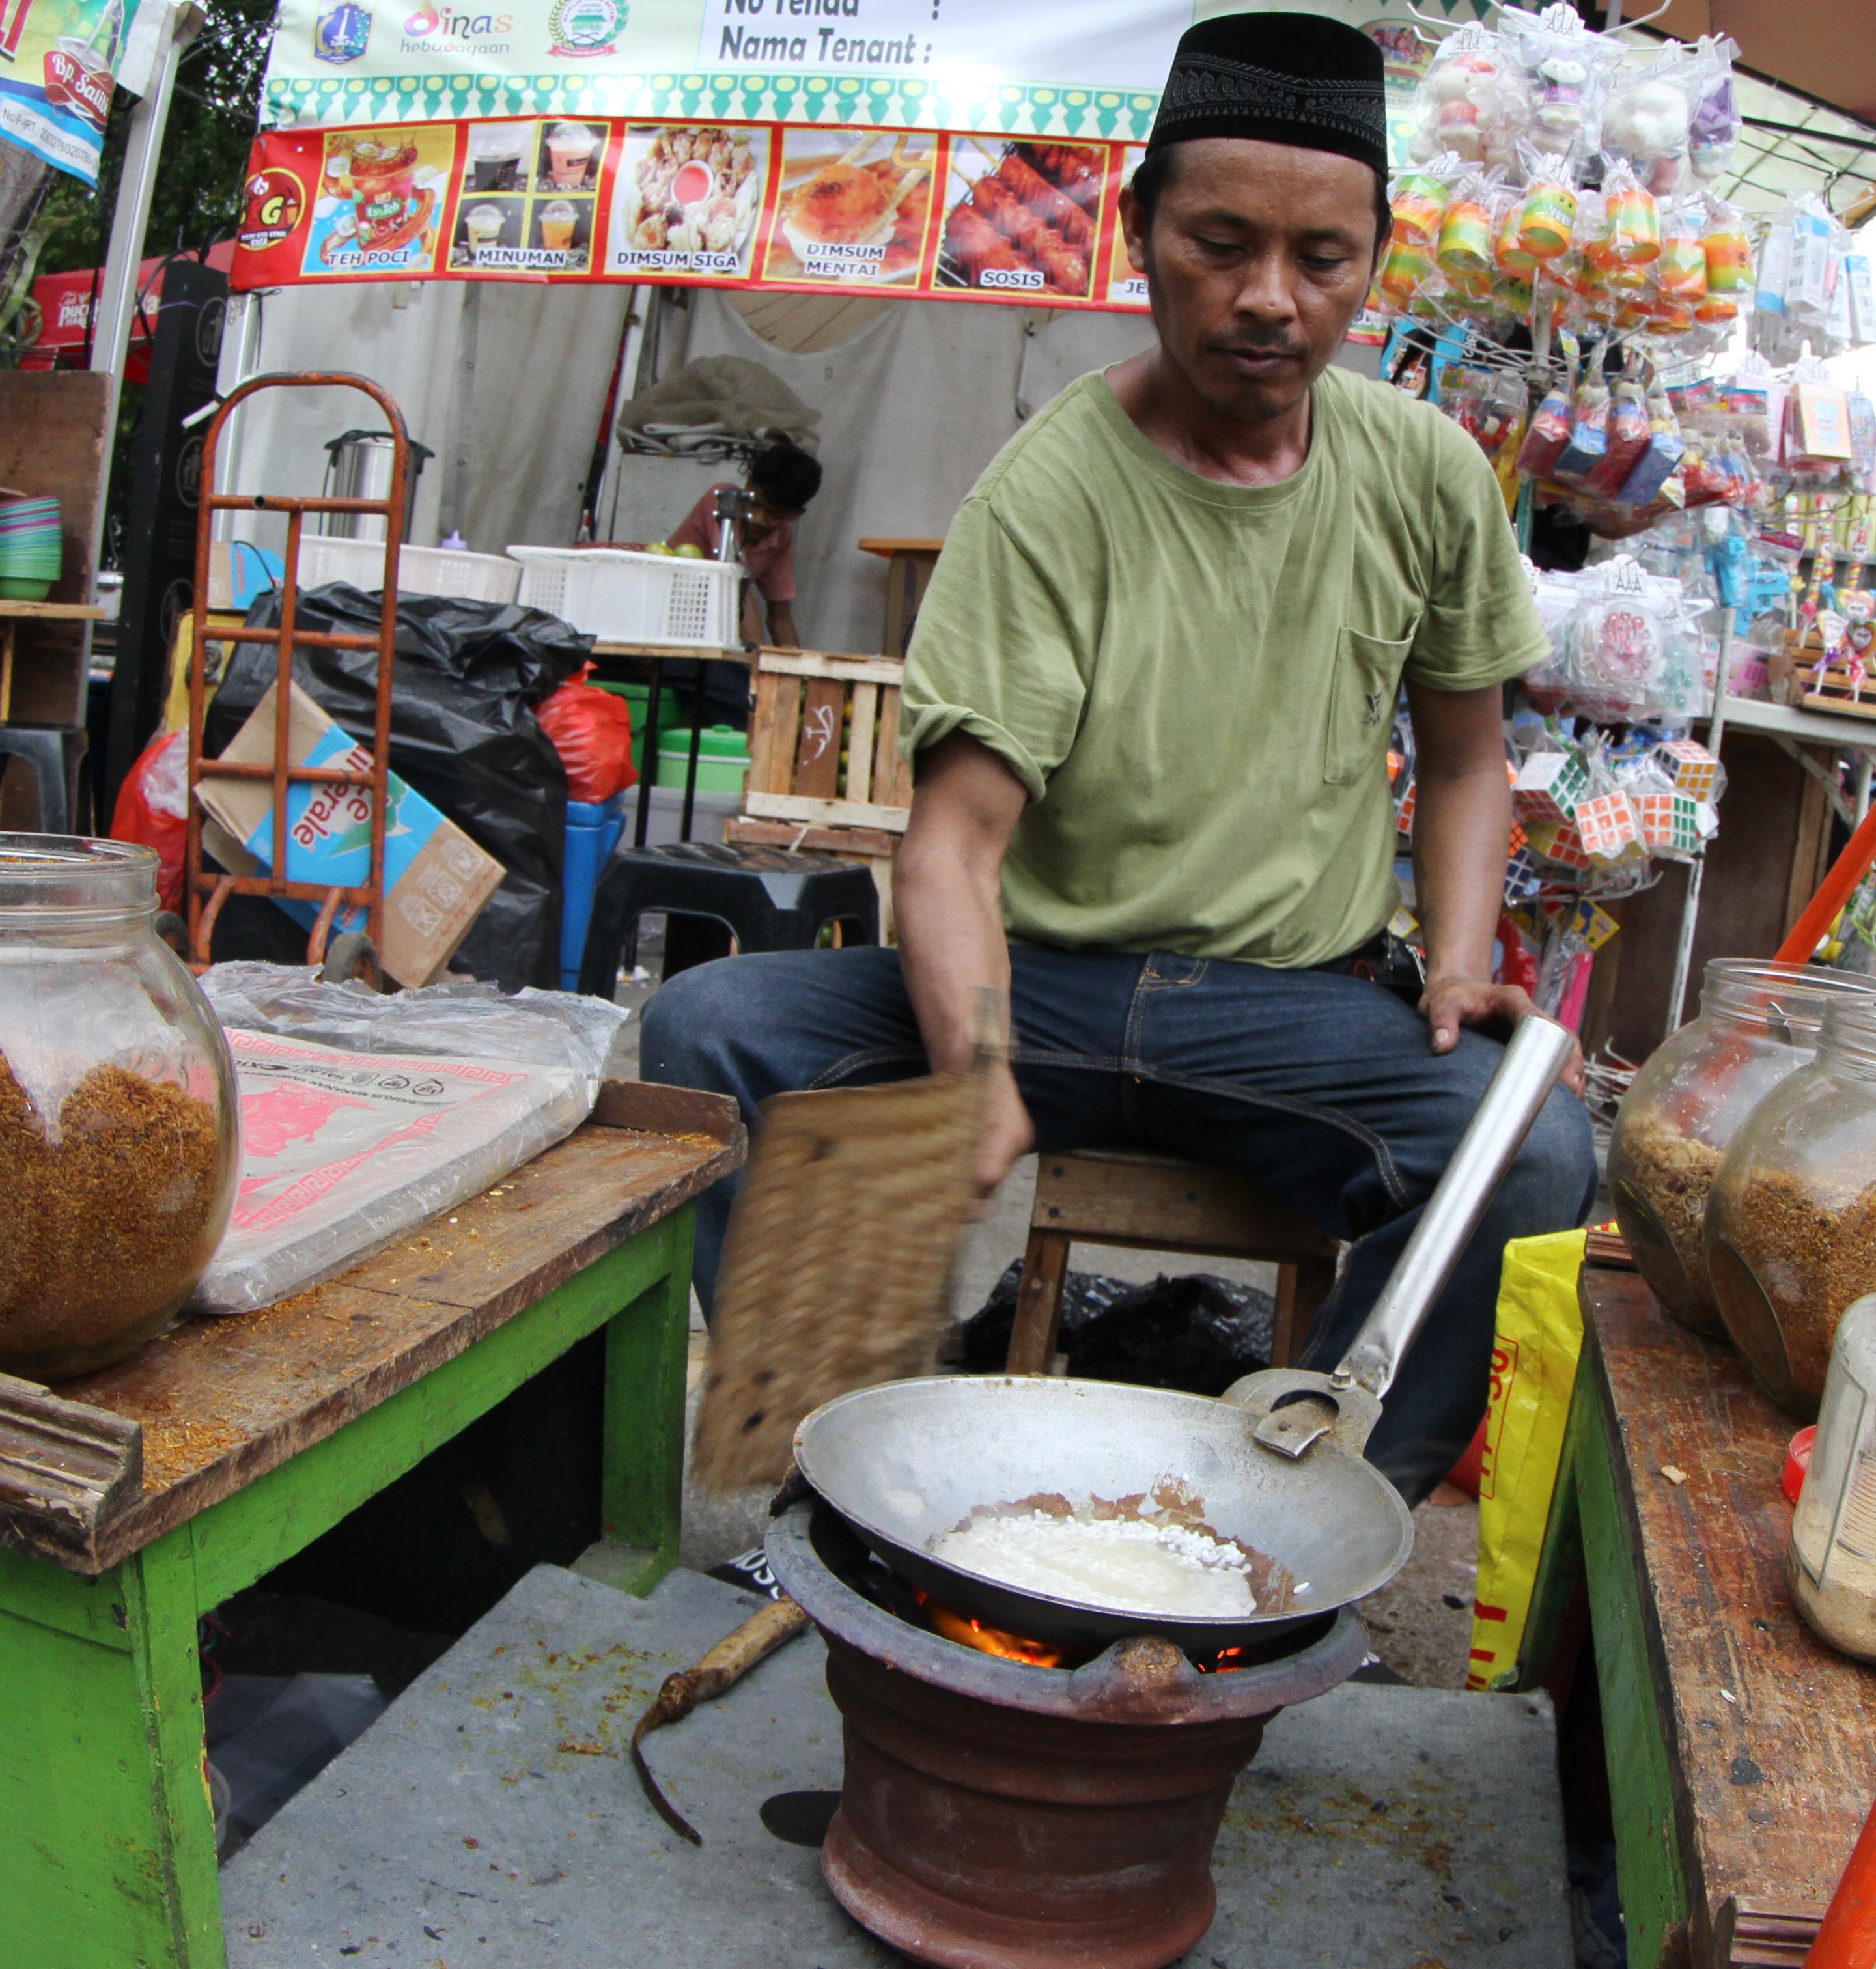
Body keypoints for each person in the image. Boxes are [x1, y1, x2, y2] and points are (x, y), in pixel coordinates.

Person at [641, 10, 1591, 1503]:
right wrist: (980, 1064)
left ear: (1373, 258)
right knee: (707, 1035)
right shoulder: (1050, 492)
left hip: (1290, 1018)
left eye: (1319, 259)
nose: (1267, 299)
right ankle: (855, 1482)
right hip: (1053, 996)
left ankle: (1303, 1523)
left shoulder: (1424, 477)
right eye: (1218, 242)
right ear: (1139, 230)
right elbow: (949, 840)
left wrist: (1460, 959)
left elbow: (1467, 758)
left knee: (1530, 1159)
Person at [664, 436, 821, 653]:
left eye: (774, 514)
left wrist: (798, 674)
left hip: (709, 638)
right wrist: (756, 665)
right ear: (748, 484)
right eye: (755, 504)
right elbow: (735, 582)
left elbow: (780, 617)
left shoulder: (781, 536)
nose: (759, 518)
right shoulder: (723, 501)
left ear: (794, 515)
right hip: (667, 622)